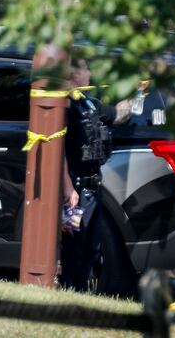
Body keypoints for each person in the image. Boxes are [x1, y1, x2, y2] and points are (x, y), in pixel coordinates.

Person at [60, 58, 111, 291]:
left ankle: (80, 290)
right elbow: (58, 149)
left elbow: (115, 115)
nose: (89, 73)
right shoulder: (65, 106)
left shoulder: (85, 102)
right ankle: (69, 290)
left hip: (92, 188)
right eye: (85, 69)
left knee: (91, 246)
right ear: (73, 74)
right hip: (76, 190)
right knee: (75, 245)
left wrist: (137, 97)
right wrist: (68, 187)